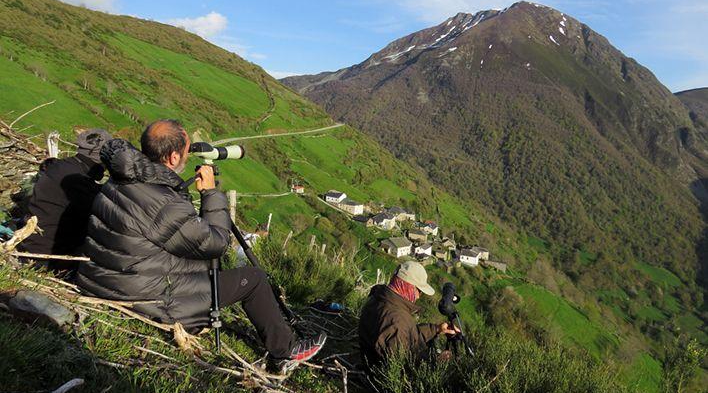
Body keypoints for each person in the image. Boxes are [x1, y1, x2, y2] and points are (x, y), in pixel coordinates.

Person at [76, 119, 325, 363]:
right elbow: (216, 243)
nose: (188, 155)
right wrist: (211, 194)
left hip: (108, 281)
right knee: (254, 279)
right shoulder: (165, 203)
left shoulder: (121, 178)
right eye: (186, 150)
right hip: (149, 299)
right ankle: (286, 350)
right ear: (173, 158)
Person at [18, 129, 112, 272]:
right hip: (47, 258)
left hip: (31, 245)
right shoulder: (80, 182)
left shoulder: (60, 166)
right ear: (100, 159)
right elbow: (102, 219)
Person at [358, 261, 458, 369]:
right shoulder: (395, 318)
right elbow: (403, 367)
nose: (419, 296)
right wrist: (437, 362)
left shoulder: (381, 299)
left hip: (374, 365)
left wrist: (436, 329)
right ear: (408, 286)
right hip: (381, 379)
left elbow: (406, 336)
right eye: (419, 291)